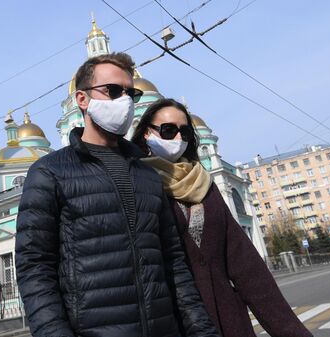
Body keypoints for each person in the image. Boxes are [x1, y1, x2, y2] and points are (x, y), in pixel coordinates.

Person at [15, 53, 220, 337]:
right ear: (82, 100)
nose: (125, 101)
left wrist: (202, 331)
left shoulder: (147, 176)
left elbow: (174, 264)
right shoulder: (50, 172)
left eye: (130, 93)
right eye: (112, 91)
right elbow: (34, 268)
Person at [131, 98, 313, 337]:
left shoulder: (204, 185)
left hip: (228, 321)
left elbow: (246, 265)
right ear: (146, 133)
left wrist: (292, 332)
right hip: (173, 323)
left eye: (184, 132)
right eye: (168, 130)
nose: (177, 138)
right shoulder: (135, 183)